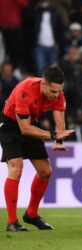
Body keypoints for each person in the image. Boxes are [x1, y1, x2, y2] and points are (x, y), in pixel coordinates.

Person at [0, 66, 75, 232]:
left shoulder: (58, 93)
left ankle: (31, 214)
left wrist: (59, 141)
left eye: (59, 91)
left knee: (45, 172)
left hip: (31, 124)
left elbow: (59, 122)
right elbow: (24, 129)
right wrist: (53, 136)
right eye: (53, 91)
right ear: (43, 84)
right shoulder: (25, 90)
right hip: (11, 125)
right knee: (16, 168)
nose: (57, 95)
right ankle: (12, 221)